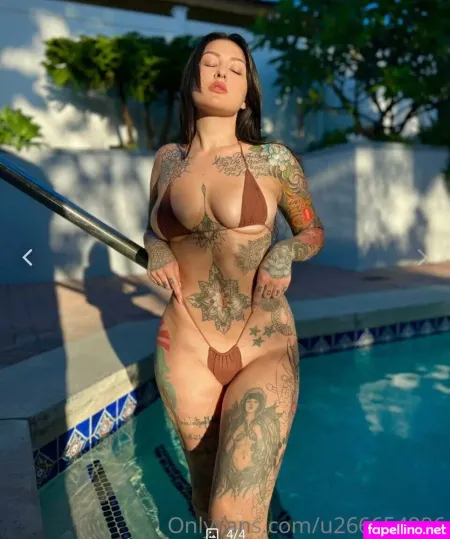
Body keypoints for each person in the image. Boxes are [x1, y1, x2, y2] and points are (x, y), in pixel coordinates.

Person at [143, 31, 324, 538]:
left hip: (262, 342)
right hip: (185, 345)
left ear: (247, 93)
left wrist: (285, 251)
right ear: (192, 78)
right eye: (210, 63)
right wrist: (156, 248)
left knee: (234, 516)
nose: (222, 72)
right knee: (205, 503)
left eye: (236, 68)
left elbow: (312, 231)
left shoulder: (274, 161)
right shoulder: (167, 160)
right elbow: (153, 227)